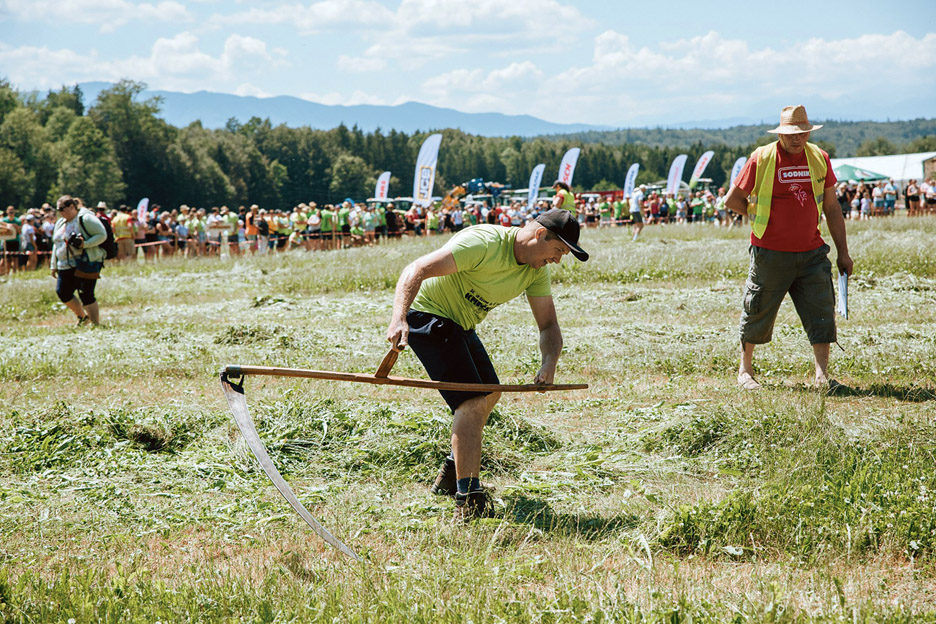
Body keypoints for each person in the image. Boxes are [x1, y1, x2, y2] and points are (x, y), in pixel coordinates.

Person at [385, 209, 589, 523]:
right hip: (428, 316)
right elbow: (417, 268)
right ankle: (467, 499)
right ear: (539, 235)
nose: (558, 260)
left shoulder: (535, 270)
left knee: (490, 394)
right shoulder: (482, 243)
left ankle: (454, 470)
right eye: (558, 250)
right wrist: (399, 317)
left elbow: (548, 326)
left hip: (461, 325)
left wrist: (549, 363)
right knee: (471, 402)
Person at [724, 105, 853, 391]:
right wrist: (759, 217)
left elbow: (832, 208)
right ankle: (745, 371)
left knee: (821, 309)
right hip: (770, 252)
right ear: (781, 133)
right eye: (792, 134)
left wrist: (843, 252)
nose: (798, 138)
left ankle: (822, 376)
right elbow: (732, 200)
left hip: (812, 252)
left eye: (803, 133)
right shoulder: (762, 158)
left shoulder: (820, 158)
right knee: (757, 309)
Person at [50, 195, 107, 326]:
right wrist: (53, 264)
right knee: (62, 292)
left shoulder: (85, 218)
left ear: (71, 206)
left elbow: (102, 235)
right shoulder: (60, 222)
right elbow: (56, 243)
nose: (60, 212)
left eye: (62, 209)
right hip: (64, 264)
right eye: (58, 210)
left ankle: (95, 324)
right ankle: (82, 317)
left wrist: (85, 244)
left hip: (85, 262)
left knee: (86, 294)